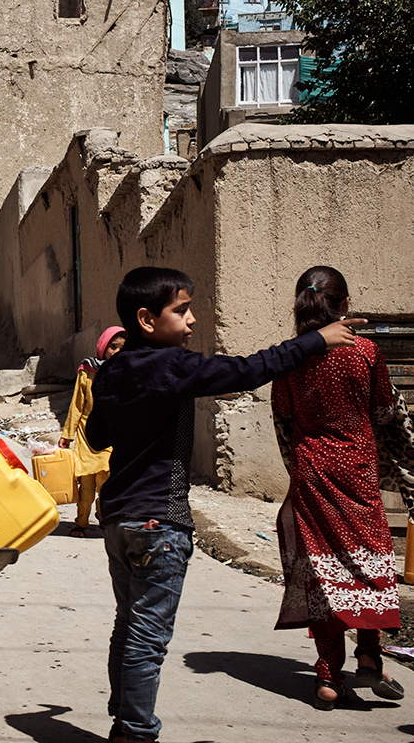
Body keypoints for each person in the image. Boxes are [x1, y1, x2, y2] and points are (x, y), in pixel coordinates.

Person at [85, 266, 363, 743]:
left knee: (128, 626)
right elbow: (250, 368)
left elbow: (95, 436)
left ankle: (124, 717)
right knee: (148, 636)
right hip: (160, 522)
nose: (192, 320)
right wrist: (318, 340)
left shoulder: (111, 372)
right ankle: (134, 730)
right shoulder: (173, 365)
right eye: (182, 310)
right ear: (147, 319)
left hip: (117, 520)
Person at [272, 265, 404, 710]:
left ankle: (329, 678)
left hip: (311, 472)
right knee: (367, 563)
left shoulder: (291, 357)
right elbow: (385, 412)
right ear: (345, 304)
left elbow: (285, 417)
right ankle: (369, 655)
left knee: (324, 572)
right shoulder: (366, 352)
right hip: (358, 471)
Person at [59, 325, 125, 536]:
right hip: (87, 437)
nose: (117, 353)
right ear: (103, 347)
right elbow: (77, 405)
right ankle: (81, 523)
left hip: (111, 437)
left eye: (122, 348)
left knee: (106, 484)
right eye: (112, 347)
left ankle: (105, 518)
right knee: (85, 487)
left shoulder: (126, 373)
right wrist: (67, 435)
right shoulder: (87, 372)